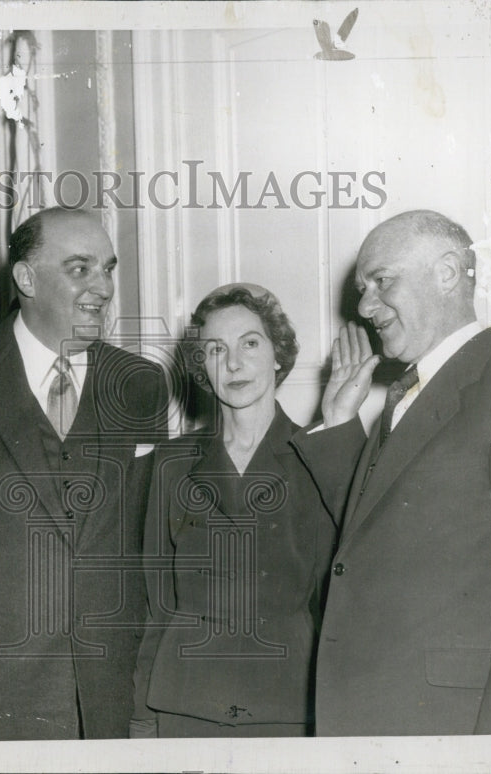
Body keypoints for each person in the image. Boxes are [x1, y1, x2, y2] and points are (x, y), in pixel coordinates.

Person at [292, 209, 491, 735]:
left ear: (448, 272)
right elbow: (375, 544)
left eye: (382, 281)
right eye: (363, 288)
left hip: (451, 736)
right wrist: (340, 423)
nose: (364, 307)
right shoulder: (407, 395)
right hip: (369, 722)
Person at [0, 207, 168, 740]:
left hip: (107, 692)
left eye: (108, 269)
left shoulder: (140, 384)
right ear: (26, 278)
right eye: (80, 268)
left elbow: (146, 541)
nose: (104, 287)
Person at [131, 284, 344, 738]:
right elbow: (157, 604)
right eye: (215, 349)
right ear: (203, 369)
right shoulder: (170, 465)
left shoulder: (320, 456)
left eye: (250, 343)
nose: (233, 363)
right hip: (184, 702)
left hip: (287, 704)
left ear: (278, 355)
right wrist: (140, 718)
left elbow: (333, 607)